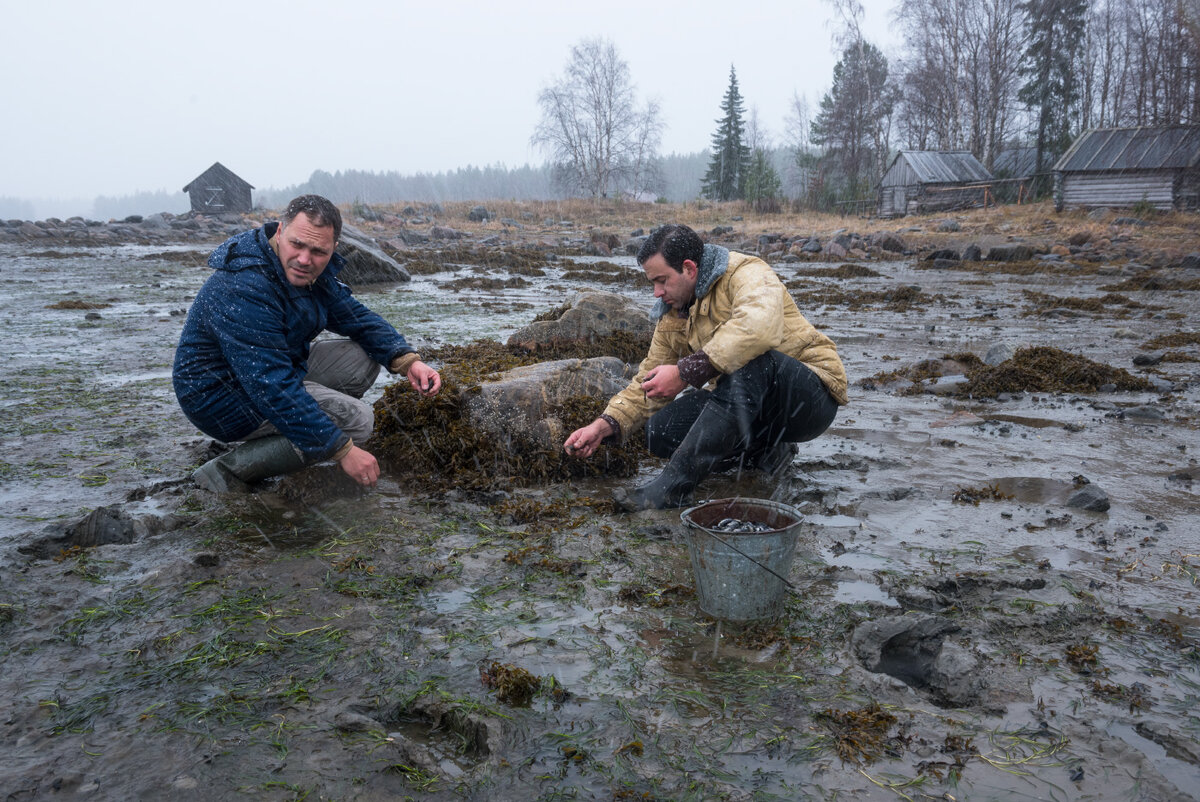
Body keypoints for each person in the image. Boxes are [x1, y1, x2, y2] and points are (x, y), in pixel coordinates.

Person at [564, 223, 847, 510]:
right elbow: (647, 381)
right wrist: (604, 425)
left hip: (810, 398)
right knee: (659, 433)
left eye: (662, 280)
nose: (656, 292)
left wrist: (685, 372)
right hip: (749, 403)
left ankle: (674, 487)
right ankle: (766, 452)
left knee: (754, 361)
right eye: (652, 283)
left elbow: (758, 330)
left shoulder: (746, 272)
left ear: (689, 268)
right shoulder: (673, 317)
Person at [173, 194, 440, 492]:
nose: (304, 259)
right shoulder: (245, 286)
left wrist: (407, 360)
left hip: (272, 369)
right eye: (297, 244)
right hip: (219, 398)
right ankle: (225, 470)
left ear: (333, 249)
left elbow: (356, 318)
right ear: (279, 232)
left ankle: (294, 437)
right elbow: (270, 384)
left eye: (317, 251)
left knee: (362, 358)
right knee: (357, 422)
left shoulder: (313, 274)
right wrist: (341, 448)